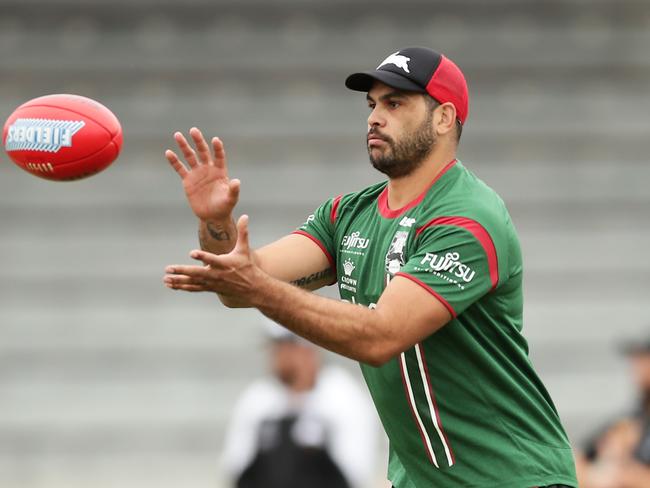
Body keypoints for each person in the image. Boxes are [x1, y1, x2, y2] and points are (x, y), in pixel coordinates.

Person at [163, 47, 578, 487]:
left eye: (395, 103)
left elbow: (382, 336)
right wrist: (215, 222)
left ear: (443, 118)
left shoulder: (470, 218)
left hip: (514, 478)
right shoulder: (348, 215)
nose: (374, 118)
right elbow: (241, 281)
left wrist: (255, 287)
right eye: (372, 104)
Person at [220, 318, 378, 488]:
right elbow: (235, 468)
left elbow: (354, 472)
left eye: (283, 347)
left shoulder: (343, 396)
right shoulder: (257, 399)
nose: (275, 355)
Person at [576, 337, 650, 487]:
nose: (635, 367)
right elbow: (580, 458)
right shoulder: (633, 418)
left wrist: (631, 476)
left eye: (643, 359)